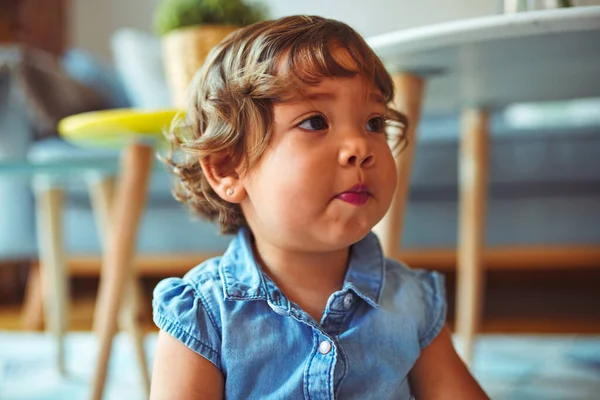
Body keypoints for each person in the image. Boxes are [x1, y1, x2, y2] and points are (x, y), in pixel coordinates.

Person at [150, 15, 488, 400]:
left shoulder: (412, 302)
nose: (359, 147)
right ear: (228, 167)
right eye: (315, 122)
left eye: (374, 123)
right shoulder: (203, 314)